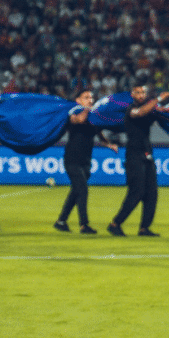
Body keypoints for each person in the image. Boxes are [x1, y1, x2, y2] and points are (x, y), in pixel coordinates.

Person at [107, 85, 169, 237]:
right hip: (134, 155)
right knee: (136, 192)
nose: (141, 95)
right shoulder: (131, 110)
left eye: (143, 92)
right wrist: (159, 99)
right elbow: (141, 112)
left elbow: (160, 112)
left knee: (151, 193)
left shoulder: (149, 110)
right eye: (137, 92)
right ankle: (115, 223)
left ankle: (144, 228)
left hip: (147, 155)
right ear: (132, 94)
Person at [54, 90, 119, 234]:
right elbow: (79, 120)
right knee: (82, 190)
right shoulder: (73, 113)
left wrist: (109, 144)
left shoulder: (94, 117)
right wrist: (87, 110)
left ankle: (61, 221)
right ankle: (84, 225)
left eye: (91, 97)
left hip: (86, 160)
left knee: (76, 191)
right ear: (78, 100)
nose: (90, 100)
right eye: (86, 98)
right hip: (72, 159)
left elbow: (99, 134)